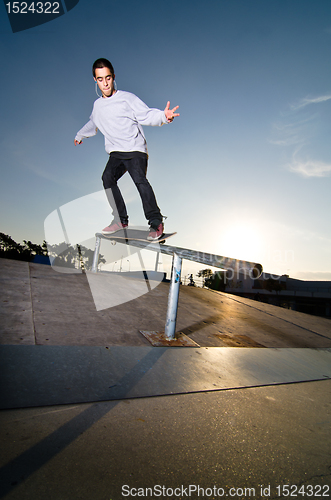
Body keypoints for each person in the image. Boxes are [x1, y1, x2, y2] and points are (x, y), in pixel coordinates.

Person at [74, 58, 179, 240]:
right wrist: (80, 135)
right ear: (95, 80)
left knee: (139, 179)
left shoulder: (127, 98)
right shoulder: (97, 106)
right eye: (100, 79)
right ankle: (120, 220)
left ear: (113, 77)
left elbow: (145, 115)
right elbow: (93, 123)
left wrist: (163, 116)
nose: (105, 83)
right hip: (116, 152)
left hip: (135, 150)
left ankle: (156, 222)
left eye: (108, 78)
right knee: (107, 177)